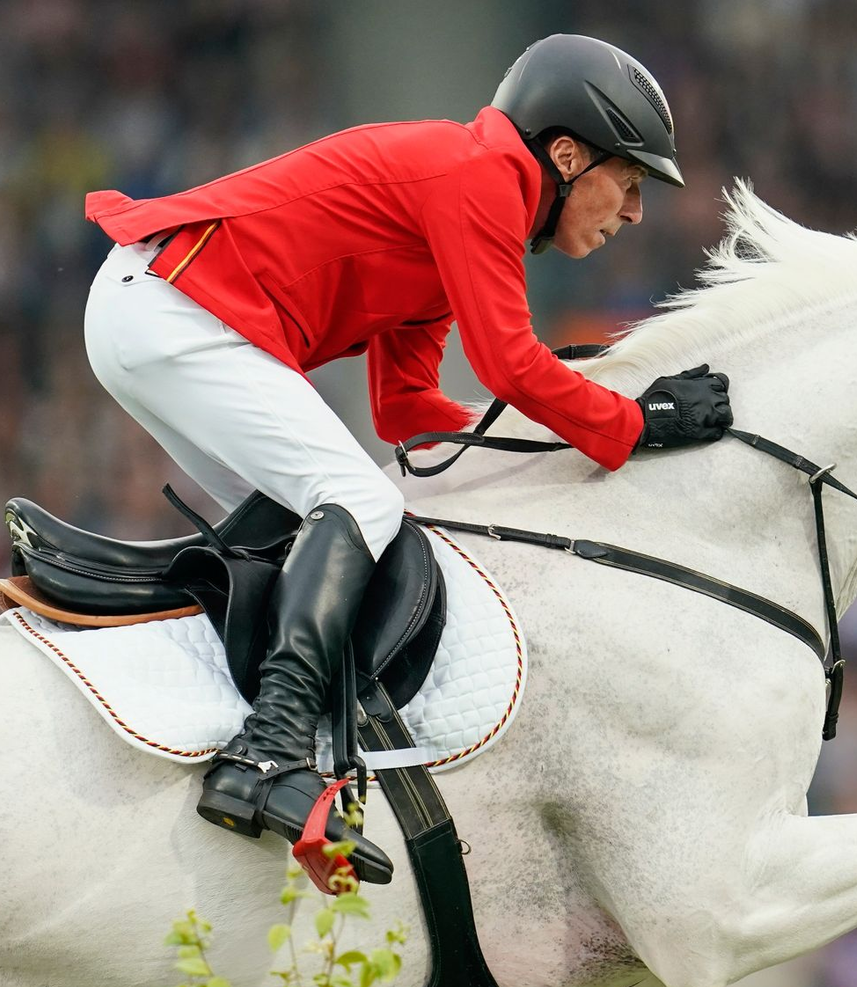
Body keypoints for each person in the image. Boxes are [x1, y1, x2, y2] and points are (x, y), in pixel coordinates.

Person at [81, 33, 733, 886]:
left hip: (159, 310)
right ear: (567, 155)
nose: (636, 211)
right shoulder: (479, 179)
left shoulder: (467, 196)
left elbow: (408, 408)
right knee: (360, 502)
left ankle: (271, 758)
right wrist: (634, 421)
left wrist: (569, 424)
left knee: (303, 532)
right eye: (631, 180)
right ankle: (269, 752)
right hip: (176, 309)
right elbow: (509, 365)